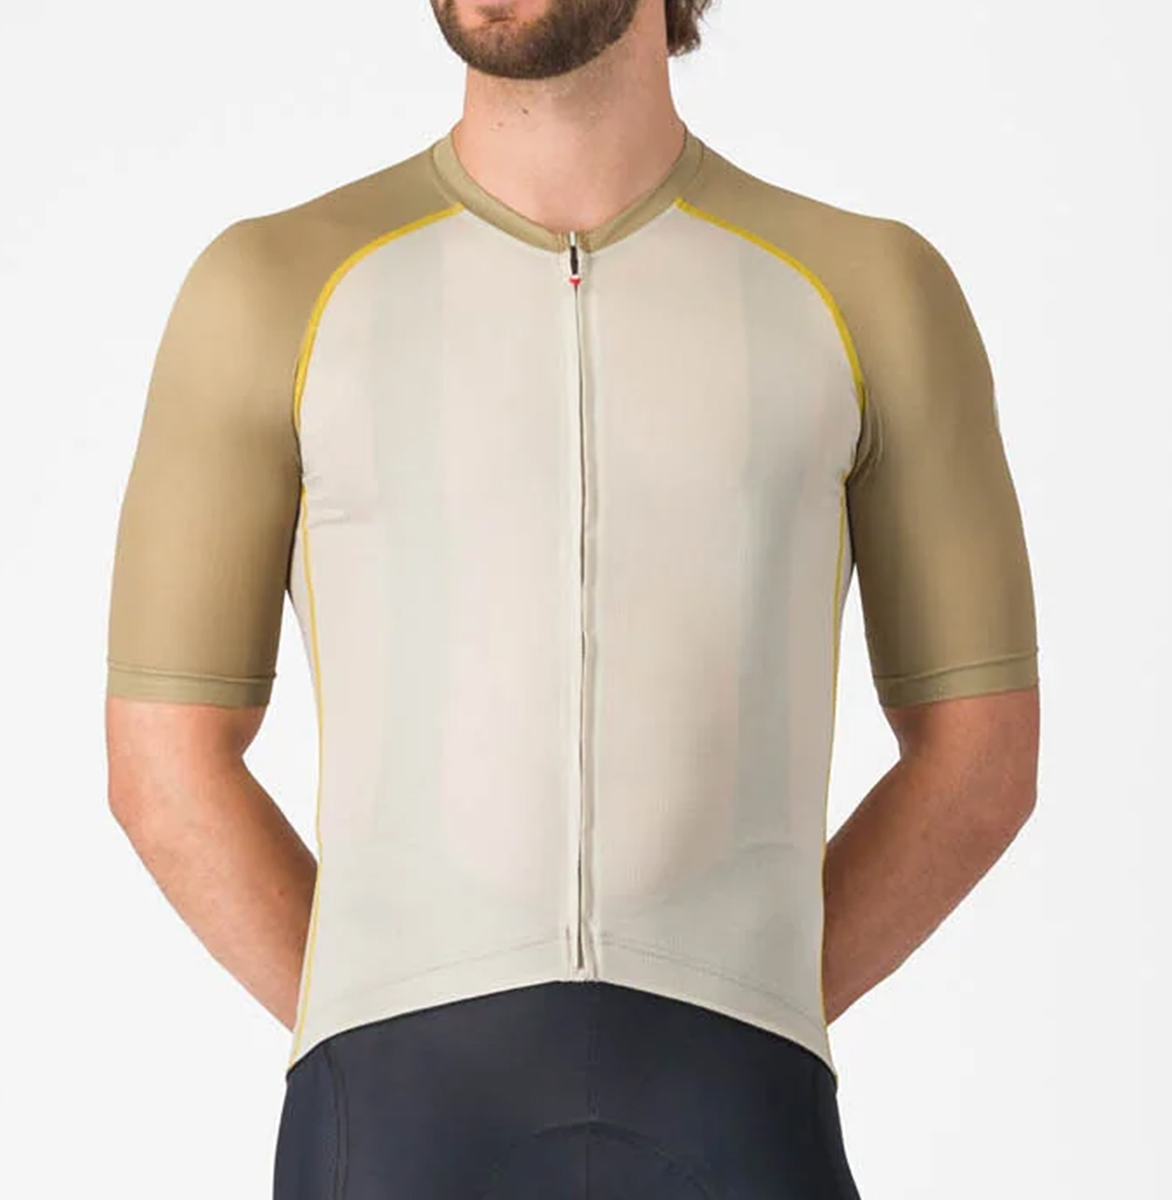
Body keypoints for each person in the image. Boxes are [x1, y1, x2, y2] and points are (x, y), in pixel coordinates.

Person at [103, 1, 1041, 1196]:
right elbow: (163, 760)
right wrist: (375, 1005)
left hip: (734, 1112)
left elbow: (980, 752)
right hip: (392, 1120)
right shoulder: (272, 291)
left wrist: (751, 993)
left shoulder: (869, 292)